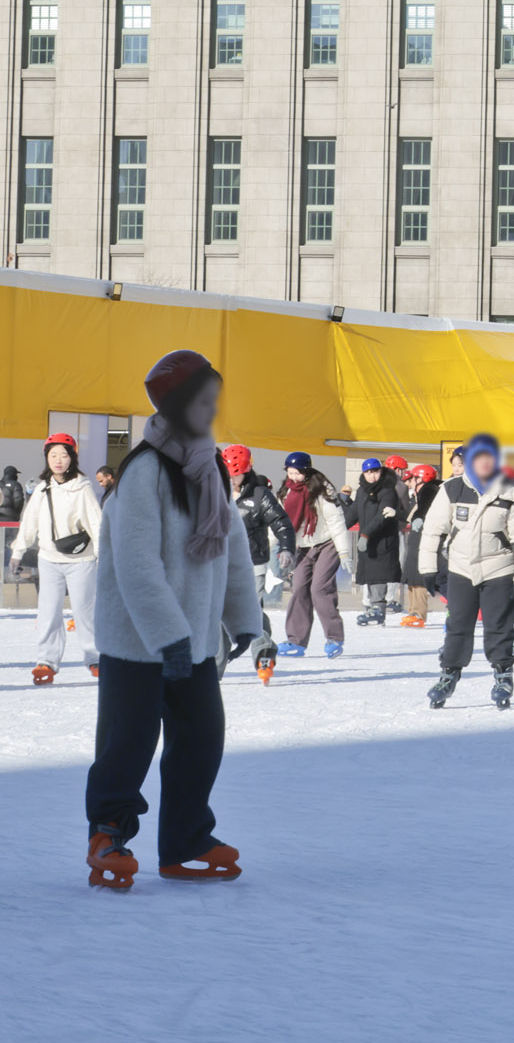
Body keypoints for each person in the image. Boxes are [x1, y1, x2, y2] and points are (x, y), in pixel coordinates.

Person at [85, 350, 261, 889]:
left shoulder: (208, 469)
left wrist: (244, 621)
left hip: (194, 640)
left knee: (201, 736)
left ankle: (185, 839)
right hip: (141, 640)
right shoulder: (145, 471)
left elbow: (230, 551)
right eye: (202, 398)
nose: (211, 408)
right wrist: (169, 637)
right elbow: (136, 565)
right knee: (130, 739)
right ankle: (108, 832)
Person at [418, 433, 514, 709]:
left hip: (499, 570)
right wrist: (428, 568)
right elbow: (434, 531)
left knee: (499, 626)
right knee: (458, 625)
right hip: (461, 569)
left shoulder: (511, 491)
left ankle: (503, 675)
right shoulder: (452, 489)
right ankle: (448, 675)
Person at [13, 432, 104, 684]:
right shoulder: (42, 489)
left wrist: (102, 554)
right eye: (53, 455)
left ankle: (95, 657)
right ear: (47, 458)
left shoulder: (82, 487)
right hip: (49, 560)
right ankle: (46, 661)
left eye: (64, 455)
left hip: (81, 560)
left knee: (85, 611)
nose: (58, 460)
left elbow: (96, 523)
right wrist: (18, 551)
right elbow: (29, 523)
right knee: (48, 612)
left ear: (72, 458)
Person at [222, 445, 294, 684]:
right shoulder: (214, 492)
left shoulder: (260, 494)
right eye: (228, 475)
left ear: (247, 471)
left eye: (236, 475)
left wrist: (286, 547)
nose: (232, 480)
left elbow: (281, 522)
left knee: (249, 611)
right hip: (219, 565)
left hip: (252, 563)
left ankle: (263, 653)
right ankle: (212, 665)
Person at [276, 453, 353, 658]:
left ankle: (334, 638)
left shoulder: (322, 490)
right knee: (299, 587)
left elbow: (336, 522)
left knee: (319, 588)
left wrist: (344, 552)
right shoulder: (286, 492)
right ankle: (296, 641)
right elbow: (280, 522)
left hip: (327, 544)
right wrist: (273, 546)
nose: (292, 477)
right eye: (289, 472)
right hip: (303, 547)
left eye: (296, 473)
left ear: (306, 471)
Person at [351, 459, 403, 627]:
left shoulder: (388, 490)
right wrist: (335, 529)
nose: (372, 475)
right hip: (367, 541)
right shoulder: (361, 491)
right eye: (368, 472)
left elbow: (383, 515)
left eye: (375, 471)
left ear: (381, 472)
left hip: (383, 540)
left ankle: (379, 608)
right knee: (369, 574)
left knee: (380, 573)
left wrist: (366, 533)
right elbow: (353, 513)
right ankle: (371, 606)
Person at [399, 464, 442, 628]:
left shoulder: (429, 490)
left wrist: (419, 517)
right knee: (412, 575)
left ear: (421, 478)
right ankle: (413, 610)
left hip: (425, 536)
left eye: (412, 479)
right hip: (418, 536)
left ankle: (419, 613)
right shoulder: (421, 493)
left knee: (418, 575)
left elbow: (424, 508)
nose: (409, 482)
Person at [0, 464, 25, 577]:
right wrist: (16, 514)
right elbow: (18, 501)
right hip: (11, 521)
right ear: (14, 475)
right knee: (11, 545)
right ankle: (9, 571)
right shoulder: (16, 485)